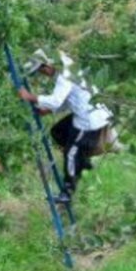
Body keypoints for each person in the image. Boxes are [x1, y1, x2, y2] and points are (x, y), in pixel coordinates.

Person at [18, 49, 113, 203]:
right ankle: (81, 160)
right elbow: (72, 99)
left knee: (71, 153)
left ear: (47, 64)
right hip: (86, 111)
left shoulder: (64, 75)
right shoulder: (67, 69)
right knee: (58, 131)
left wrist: (30, 97)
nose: (43, 74)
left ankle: (67, 192)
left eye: (41, 70)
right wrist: (48, 110)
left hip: (89, 119)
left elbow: (56, 100)